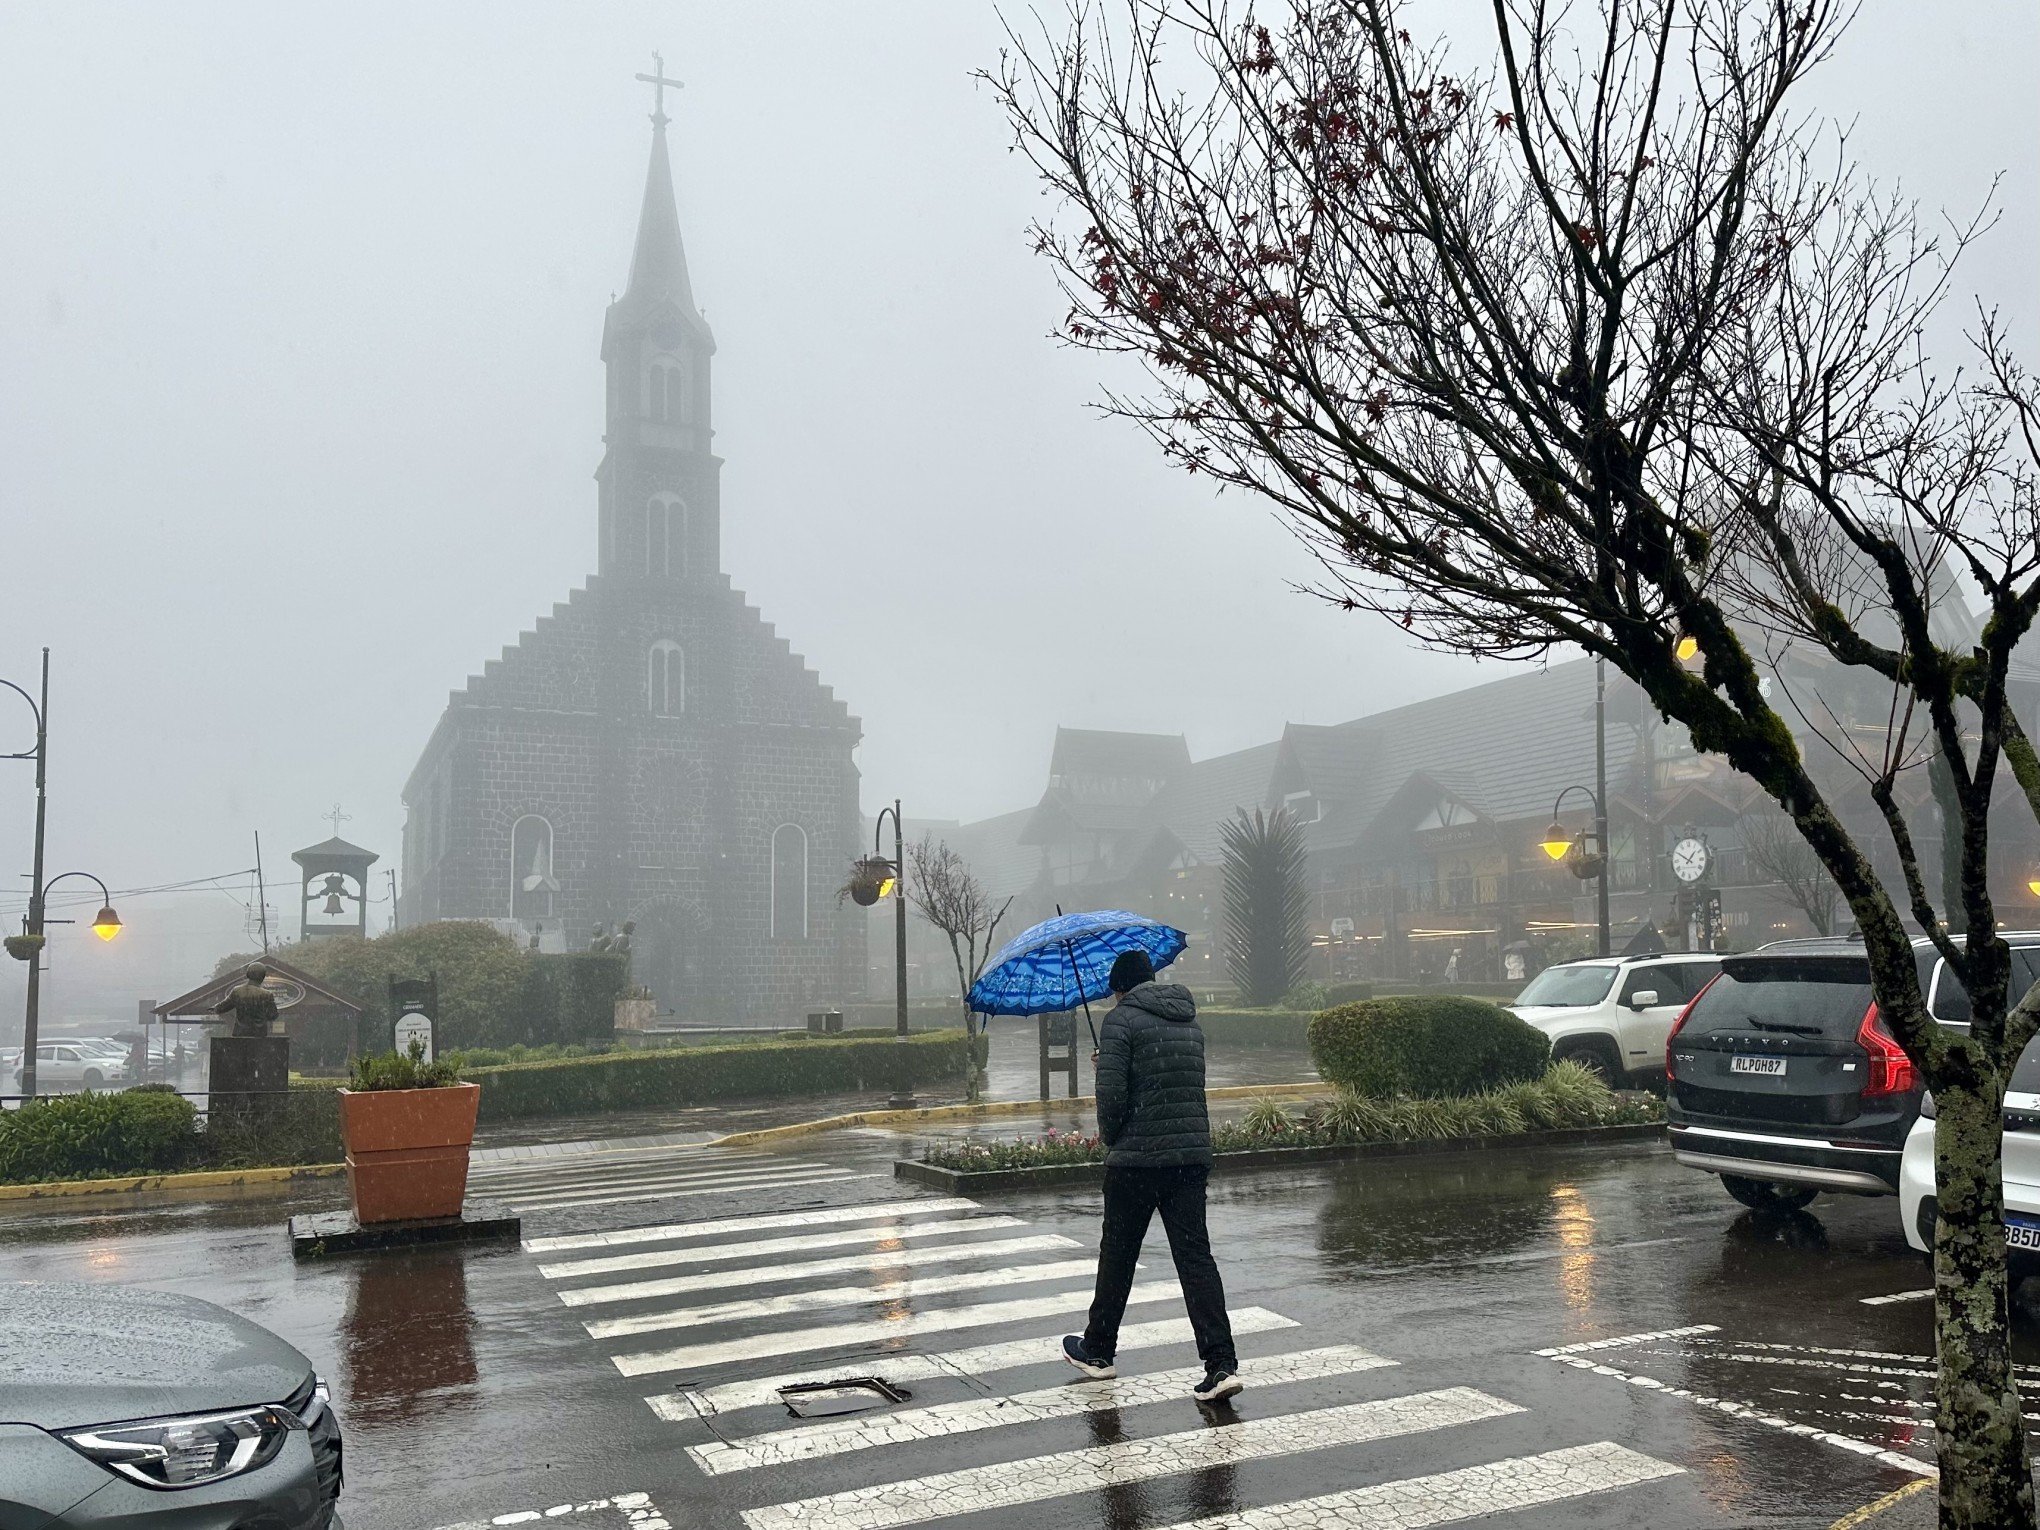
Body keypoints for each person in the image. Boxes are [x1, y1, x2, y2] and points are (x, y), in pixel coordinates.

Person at [1063, 948, 1241, 1403]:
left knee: (1118, 1255)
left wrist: (1110, 1131)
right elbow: (1179, 1087)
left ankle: (1099, 1350)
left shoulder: (1120, 1022)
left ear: (1120, 989)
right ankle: (1220, 1363)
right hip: (1188, 1158)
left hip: (1137, 1162)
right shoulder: (1188, 1021)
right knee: (1195, 1259)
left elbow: (1114, 1101)